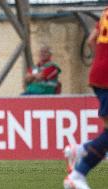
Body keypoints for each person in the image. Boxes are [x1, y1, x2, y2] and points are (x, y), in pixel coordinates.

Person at [63, 7, 108, 189]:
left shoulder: (105, 12)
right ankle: (78, 173)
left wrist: (102, 61)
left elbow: (91, 39)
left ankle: (79, 151)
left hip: (99, 73)